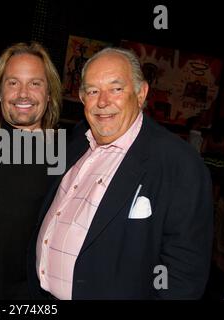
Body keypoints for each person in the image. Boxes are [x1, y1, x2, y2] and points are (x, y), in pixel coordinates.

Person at [28, 47, 213, 299]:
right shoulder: (78, 141)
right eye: (93, 91)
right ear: (82, 97)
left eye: (116, 89)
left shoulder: (178, 163)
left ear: (141, 93)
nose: (102, 102)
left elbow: (183, 276)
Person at [0, 42, 63, 299]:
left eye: (35, 83)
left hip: (27, 296)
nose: (23, 94)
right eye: (13, 83)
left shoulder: (64, 151)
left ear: (49, 93)